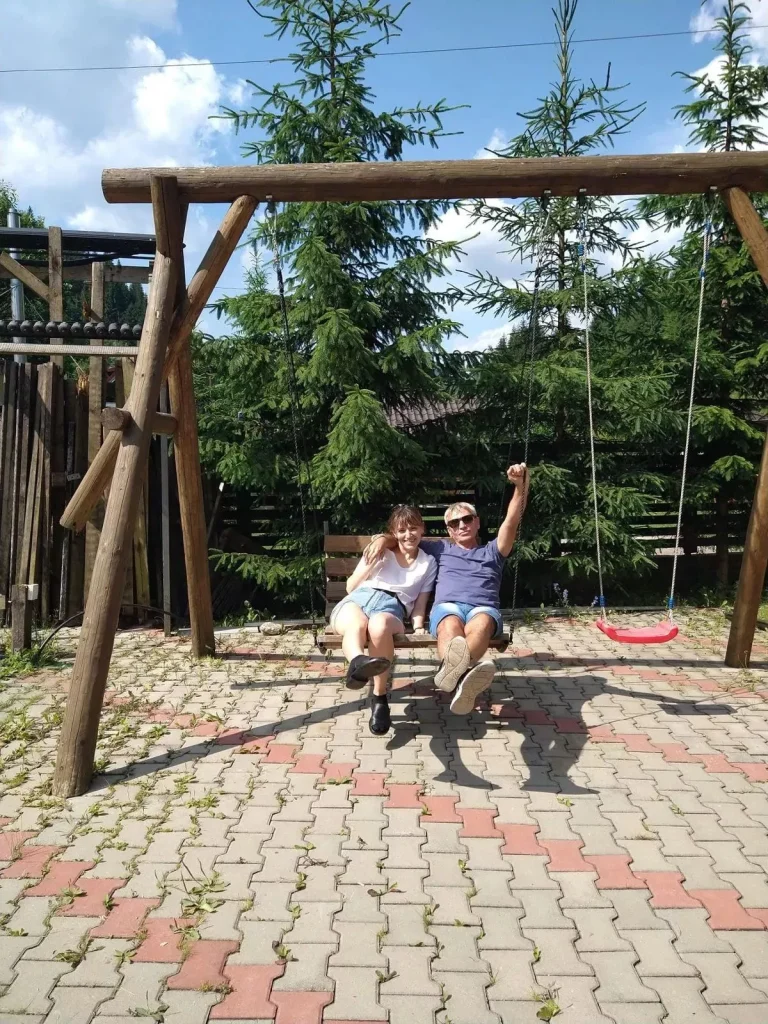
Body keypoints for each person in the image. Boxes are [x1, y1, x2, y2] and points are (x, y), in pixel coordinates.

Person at [365, 464, 529, 715]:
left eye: (467, 519)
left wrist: (520, 486)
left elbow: (511, 521)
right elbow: (404, 538)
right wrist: (381, 539)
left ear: (476, 522)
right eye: (455, 522)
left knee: (481, 625)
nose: (462, 525)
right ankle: (464, 680)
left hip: (482, 607)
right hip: (448, 607)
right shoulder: (440, 549)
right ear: (449, 530)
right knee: (449, 625)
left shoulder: (494, 551)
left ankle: (452, 674)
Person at [330, 504, 437, 735]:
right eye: (402, 530)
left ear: (422, 529)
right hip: (359, 598)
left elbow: (420, 603)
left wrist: (418, 626)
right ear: (394, 533)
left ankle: (379, 696)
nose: (408, 535)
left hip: (392, 607)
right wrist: (371, 561)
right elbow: (350, 587)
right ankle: (358, 662)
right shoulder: (380, 551)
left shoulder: (428, 563)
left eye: (413, 528)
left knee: (378, 625)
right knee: (357, 624)